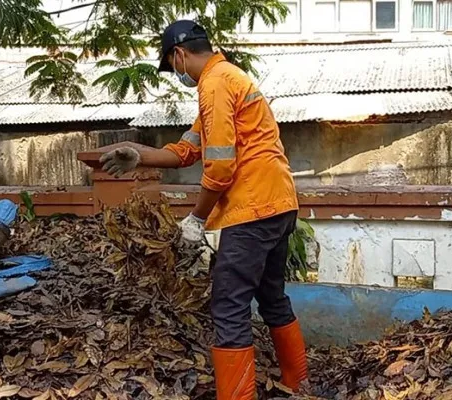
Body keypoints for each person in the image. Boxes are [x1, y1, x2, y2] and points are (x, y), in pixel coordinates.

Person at [99, 20, 308, 399]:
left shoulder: (213, 85)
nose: (177, 74)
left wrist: (196, 218)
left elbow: (221, 166)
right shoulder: (227, 79)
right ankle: (299, 382)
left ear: (179, 55)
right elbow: (186, 150)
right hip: (279, 203)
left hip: (253, 209)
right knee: (272, 297)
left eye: (173, 65)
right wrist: (139, 154)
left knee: (228, 306)